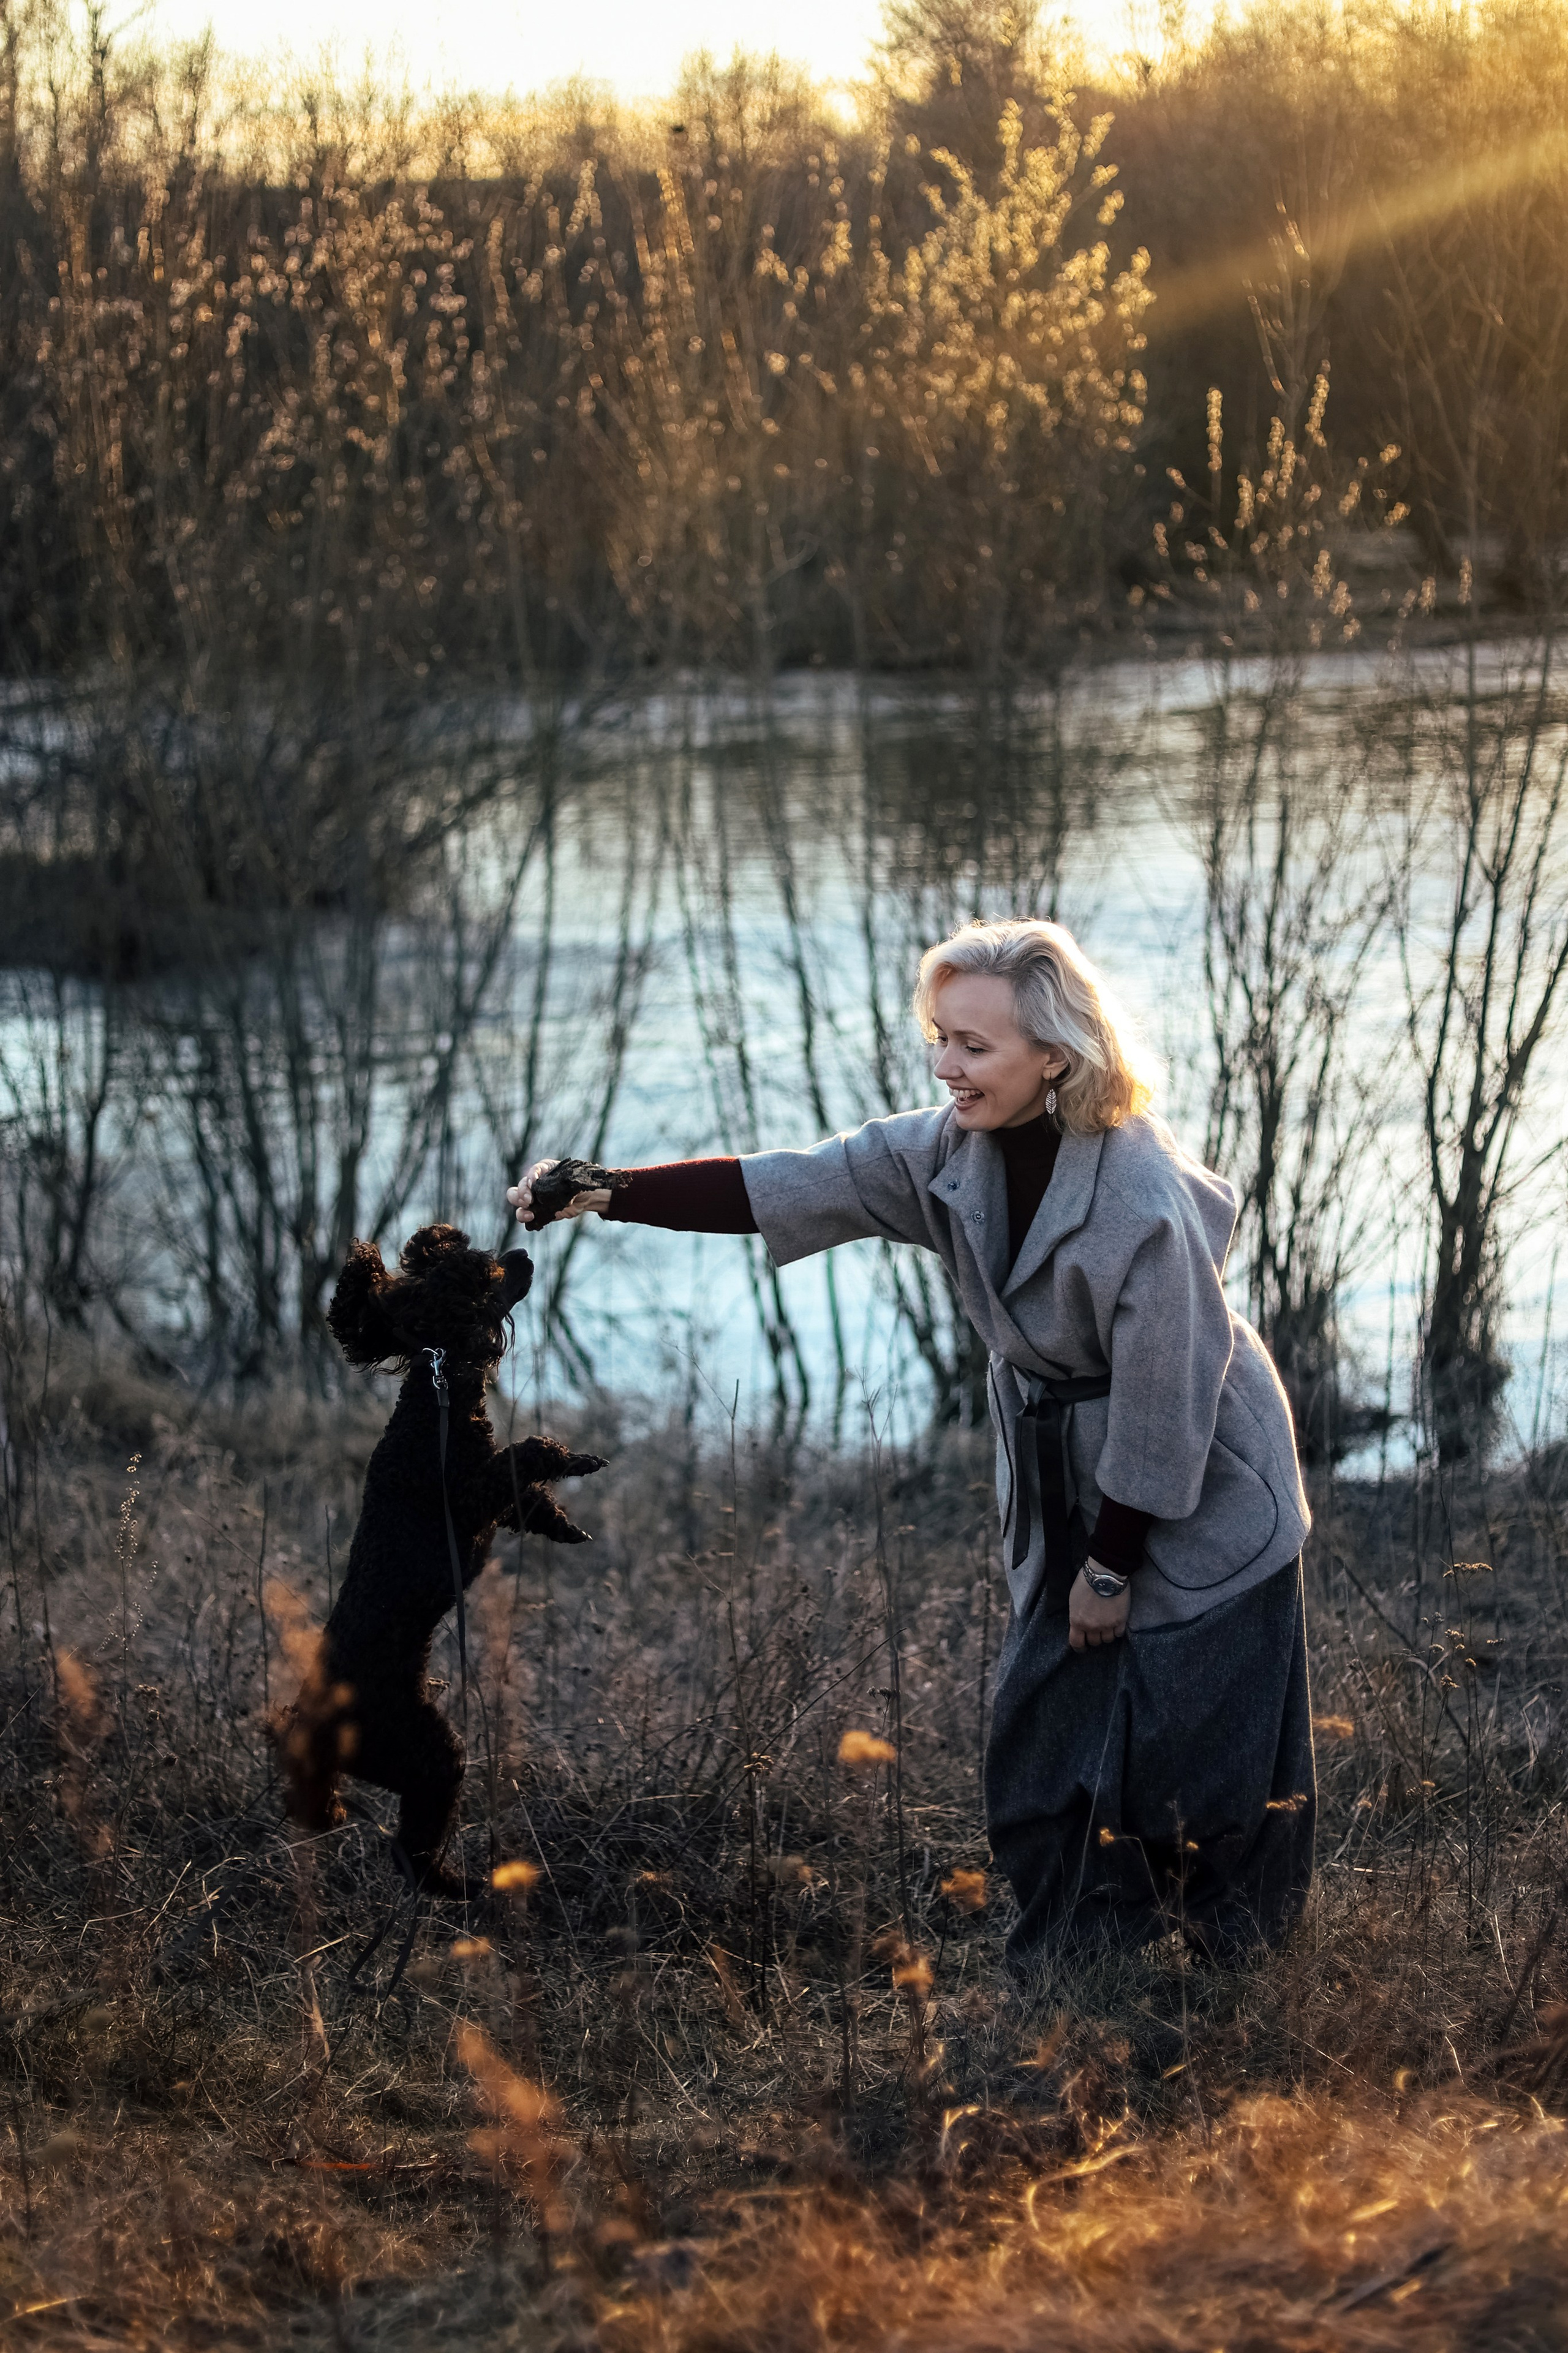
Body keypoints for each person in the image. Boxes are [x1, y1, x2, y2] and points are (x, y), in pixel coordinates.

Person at [506, 918, 1315, 1970]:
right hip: (1063, 1473)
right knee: (1041, 1732)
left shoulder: (1139, 1197)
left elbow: (1167, 1398)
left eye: (973, 1046)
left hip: (1203, 1476)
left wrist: (1110, 1567)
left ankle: (1233, 1985)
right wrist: (611, 1189)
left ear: (1056, 1057)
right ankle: (1072, 1971)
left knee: (1204, 1752)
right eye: (939, 1036)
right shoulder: (947, 1149)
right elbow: (791, 1182)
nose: (946, 1065)